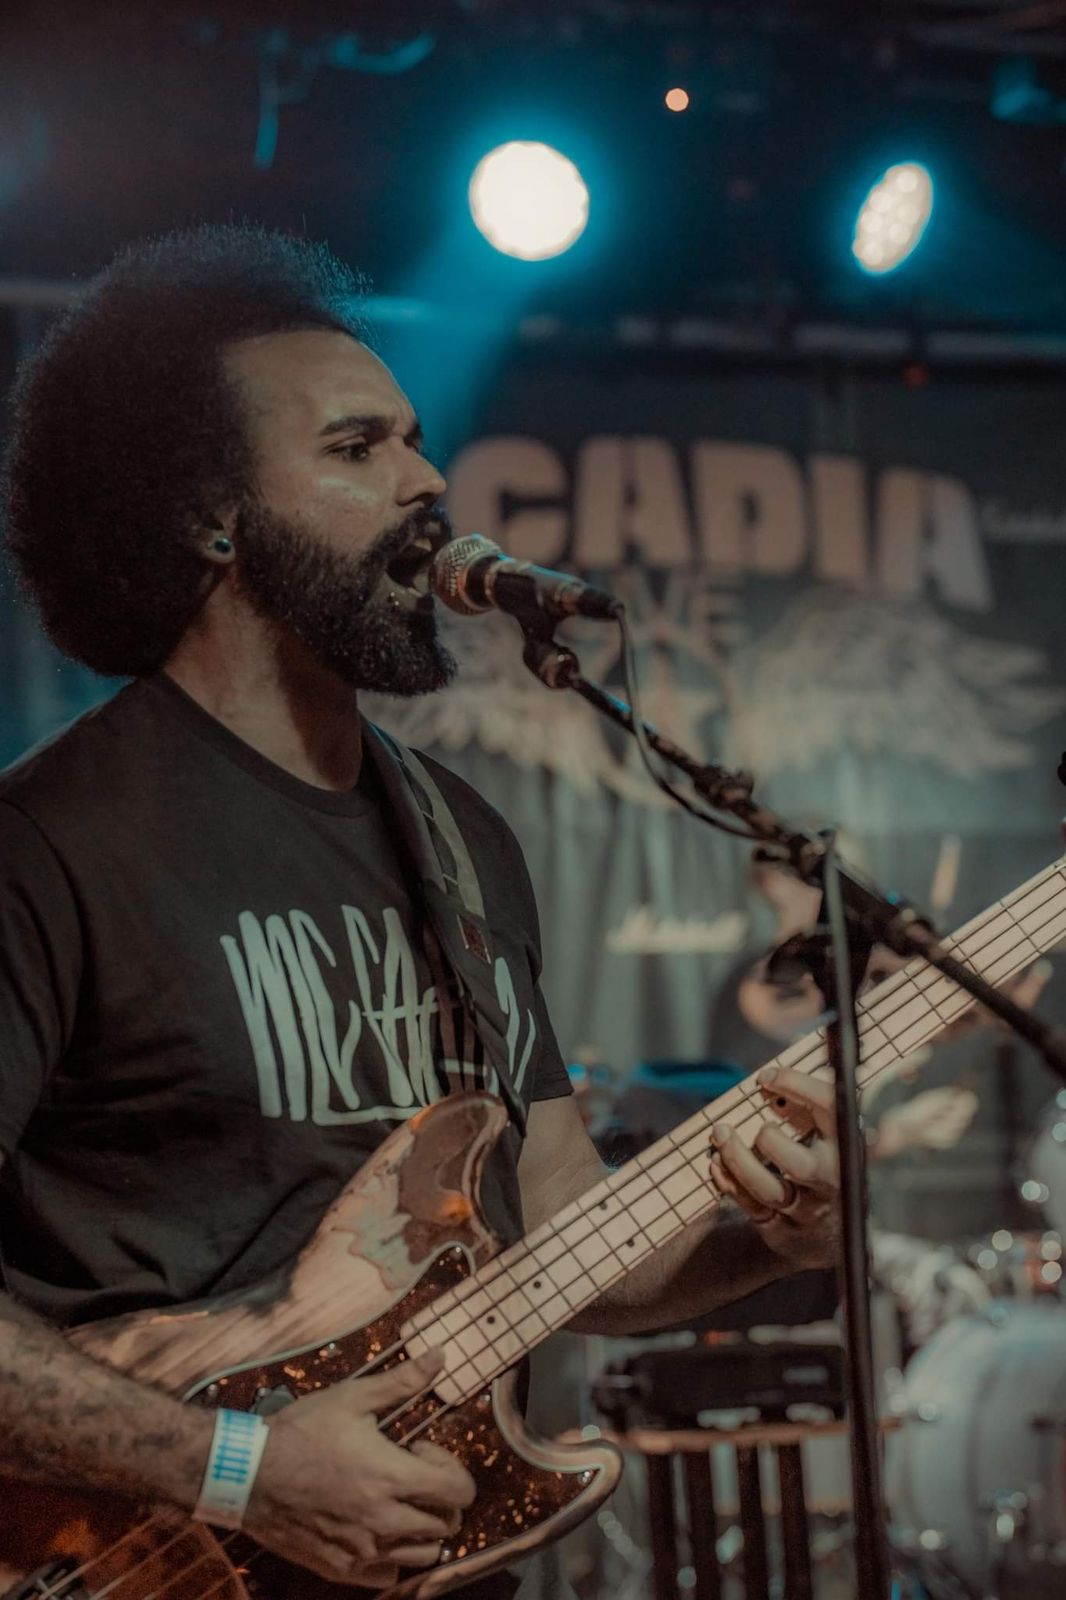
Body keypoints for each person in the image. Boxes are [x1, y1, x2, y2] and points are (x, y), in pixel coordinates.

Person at [0, 224, 841, 1597]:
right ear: (211, 515)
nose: (428, 480)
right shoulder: (51, 844)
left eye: (416, 440)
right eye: (358, 447)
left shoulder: (462, 840)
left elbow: (563, 1240)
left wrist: (770, 1246)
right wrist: (238, 1470)